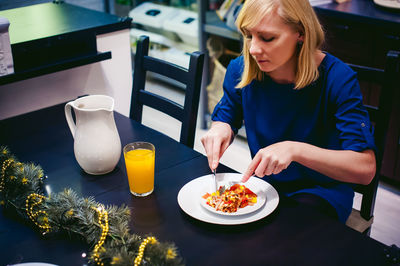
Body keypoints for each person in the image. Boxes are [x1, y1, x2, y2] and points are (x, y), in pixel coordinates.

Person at [200, 0, 376, 223]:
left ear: (300, 33)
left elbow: (365, 169)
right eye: (248, 35)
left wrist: (296, 150)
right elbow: (226, 114)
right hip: (265, 187)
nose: (253, 49)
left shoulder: (338, 79)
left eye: (267, 37)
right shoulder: (241, 69)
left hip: (321, 192)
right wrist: (220, 129)